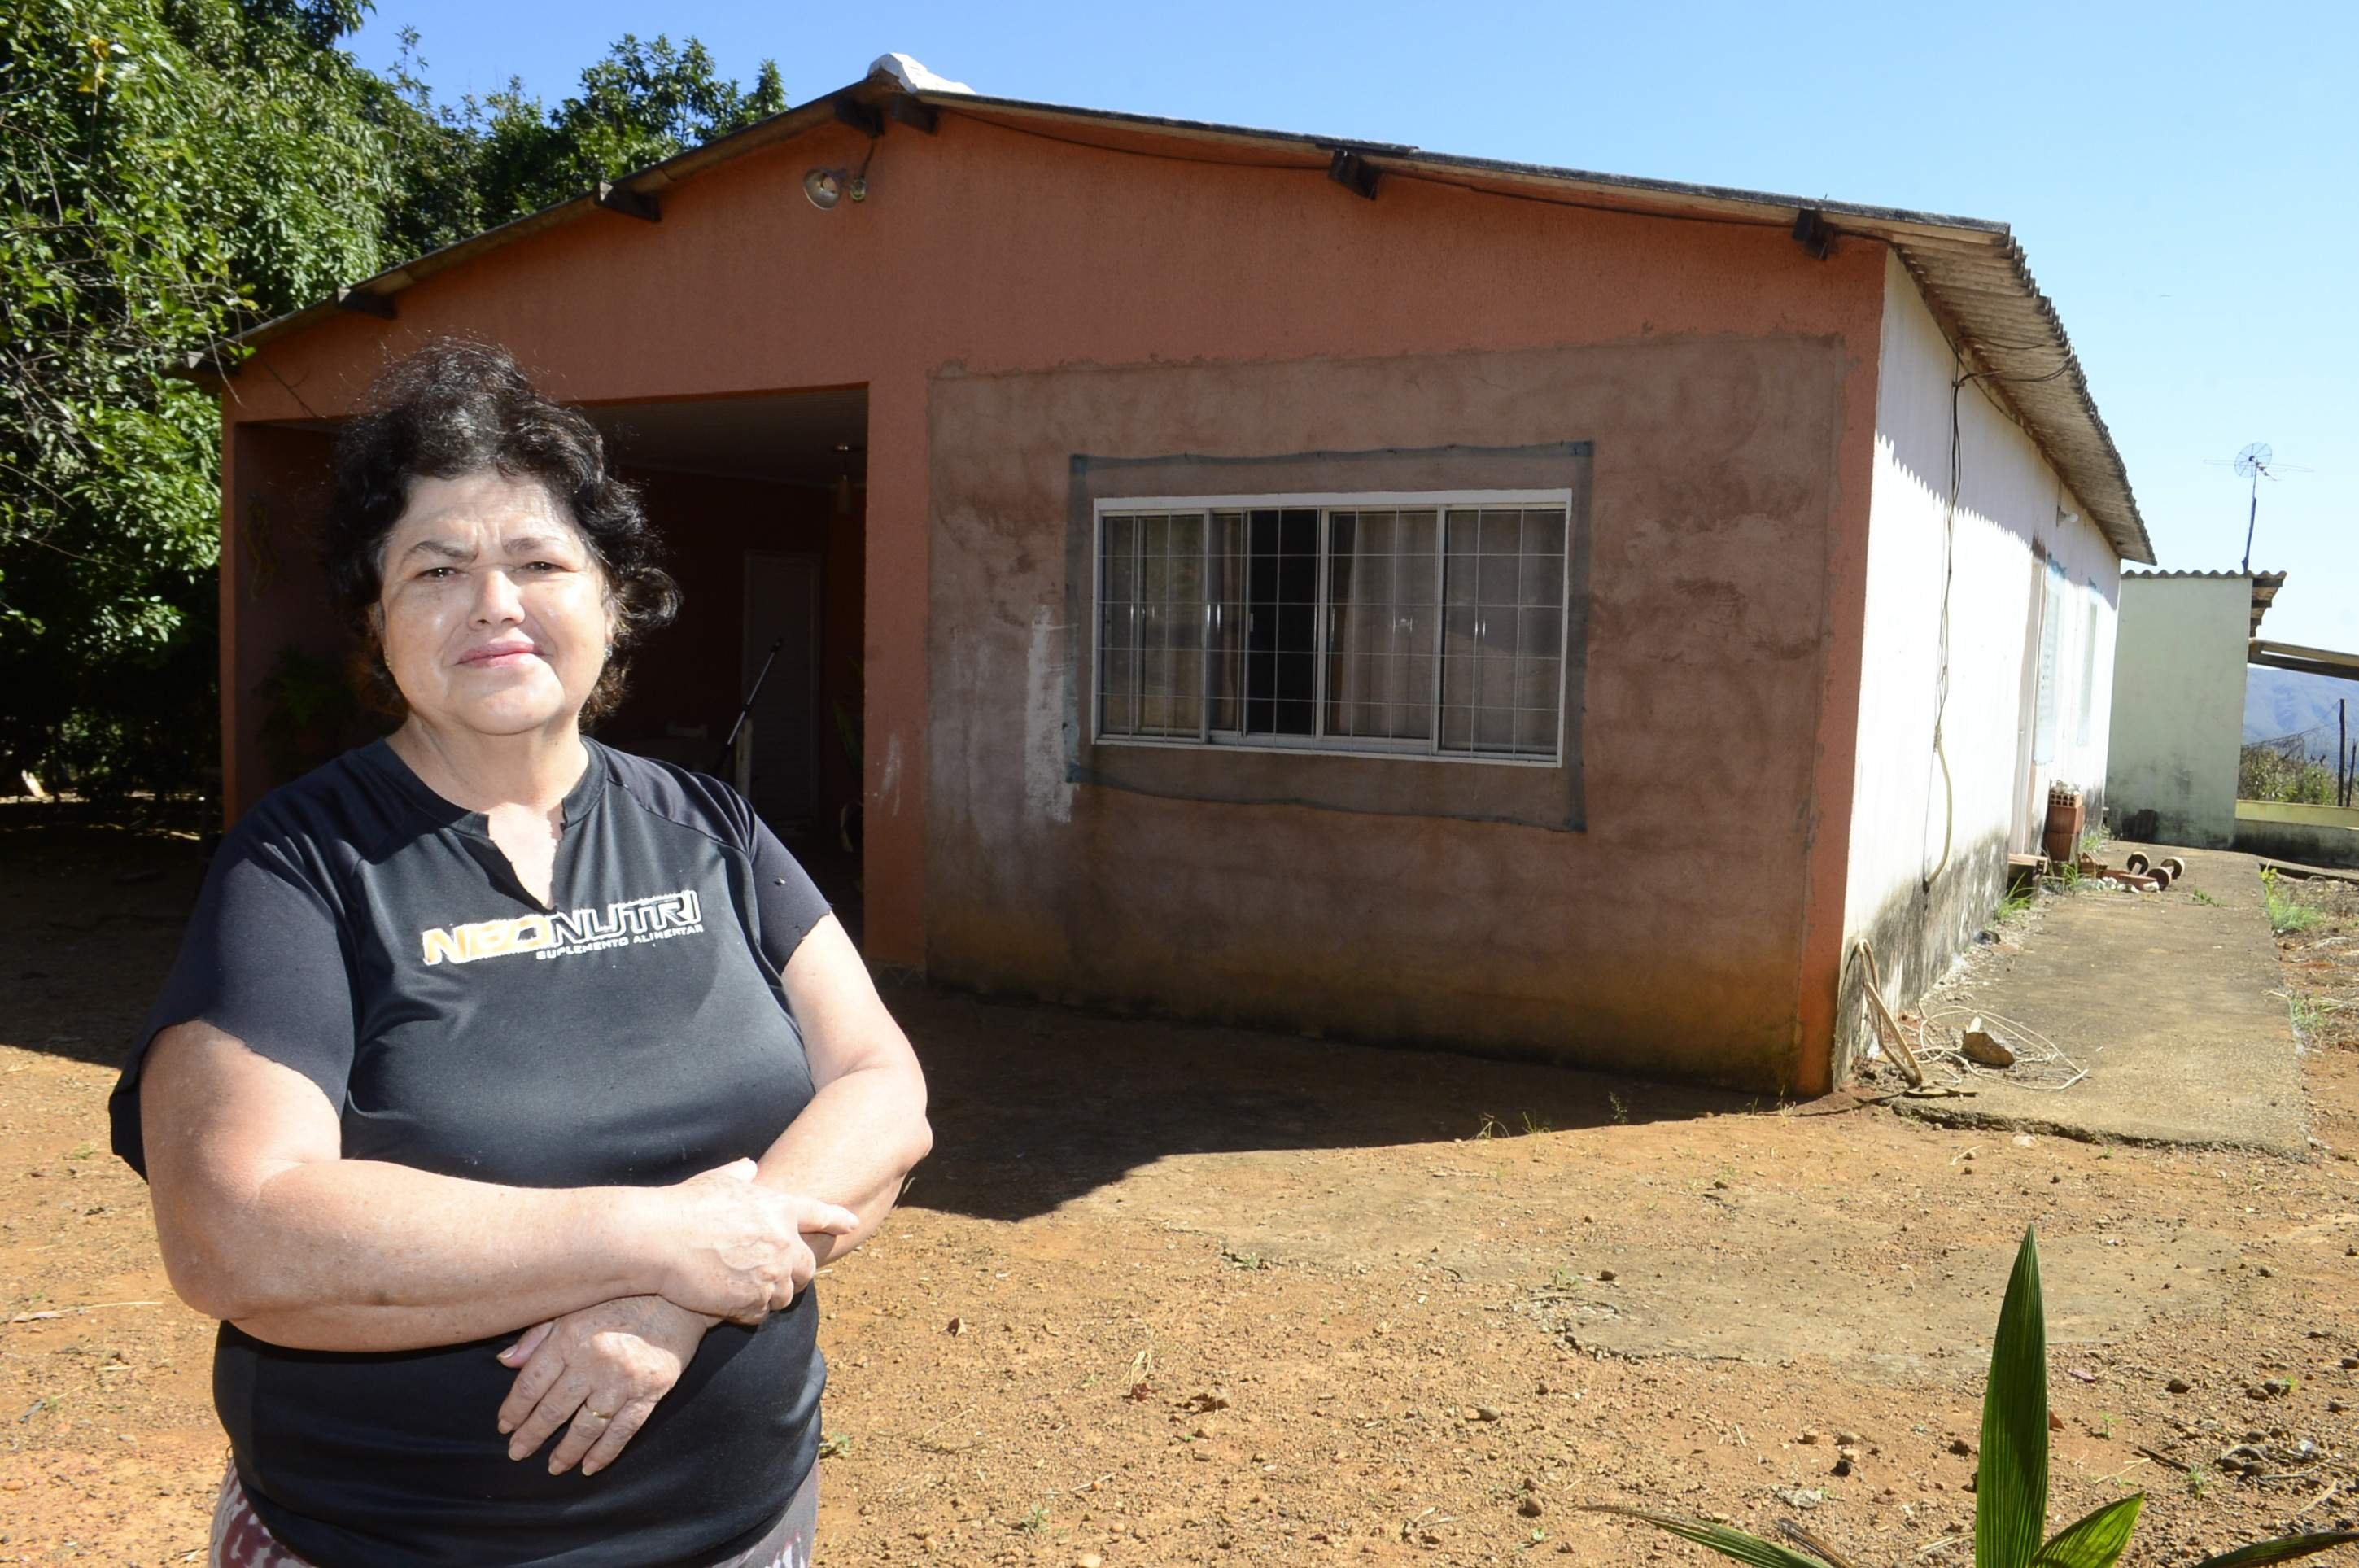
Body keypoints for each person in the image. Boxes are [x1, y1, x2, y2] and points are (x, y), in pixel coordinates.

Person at [107, 340, 931, 1566]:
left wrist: (672, 1302)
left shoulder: (710, 828)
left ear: (613, 601)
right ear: (378, 620)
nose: (494, 602)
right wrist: (652, 1241)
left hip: (748, 1536)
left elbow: (882, 1087)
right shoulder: (299, 865)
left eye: (539, 562)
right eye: (437, 568)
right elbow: (236, 1227)